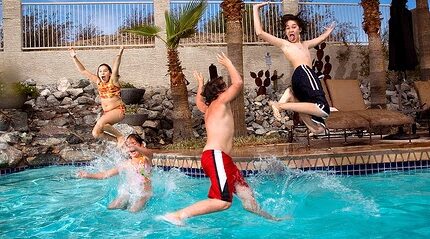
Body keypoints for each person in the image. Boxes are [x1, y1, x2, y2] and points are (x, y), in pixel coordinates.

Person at [159, 53, 286, 226]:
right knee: (222, 201)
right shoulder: (221, 101)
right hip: (215, 155)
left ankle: (272, 220)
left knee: (246, 195)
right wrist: (228, 64)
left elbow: (198, 102)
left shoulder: (209, 107)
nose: (227, 89)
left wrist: (200, 85)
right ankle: (178, 215)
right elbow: (239, 83)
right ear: (219, 92)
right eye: (224, 86)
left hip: (221, 158)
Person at [253, 2, 336, 134]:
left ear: (300, 29)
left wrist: (328, 32)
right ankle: (279, 105)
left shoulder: (306, 44)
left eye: (293, 27)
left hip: (303, 79)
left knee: (318, 129)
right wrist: (255, 8)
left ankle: (291, 96)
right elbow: (260, 32)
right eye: (287, 28)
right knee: (323, 108)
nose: (290, 30)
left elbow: (319, 39)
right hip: (303, 73)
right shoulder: (285, 44)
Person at [77, 134, 153, 213]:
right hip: (130, 193)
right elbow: (105, 174)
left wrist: (136, 148)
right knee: (111, 207)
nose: (131, 147)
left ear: (141, 145)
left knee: (133, 210)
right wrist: (88, 175)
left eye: (134, 143)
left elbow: (150, 153)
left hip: (143, 194)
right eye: (129, 145)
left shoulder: (146, 160)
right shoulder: (126, 164)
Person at [69, 47, 126, 145]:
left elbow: (116, 66)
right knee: (96, 133)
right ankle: (117, 141)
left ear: (110, 73)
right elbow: (83, 70)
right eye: (100, 71)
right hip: (107, 113)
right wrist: (74, 57)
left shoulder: (113, 81)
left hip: (118, 110)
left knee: (101, 123)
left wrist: (119, 53)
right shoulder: (98, 82)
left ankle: (120, 136)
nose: (102, 73)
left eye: (105, 71)